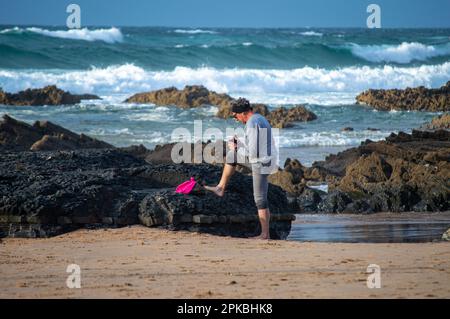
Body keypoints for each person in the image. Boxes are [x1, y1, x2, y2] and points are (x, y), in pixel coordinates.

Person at [204, 98, 278, 239]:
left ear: (243, 113)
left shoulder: (252, 123)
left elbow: (254, 153)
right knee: (232, 155)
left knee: (260, 199)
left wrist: (237, 148)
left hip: (261, 163)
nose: (236, 119)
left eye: (236, 116)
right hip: (266, 160)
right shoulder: (258, 118)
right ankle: (220, 187)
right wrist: (240, 146)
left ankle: (264, 235)